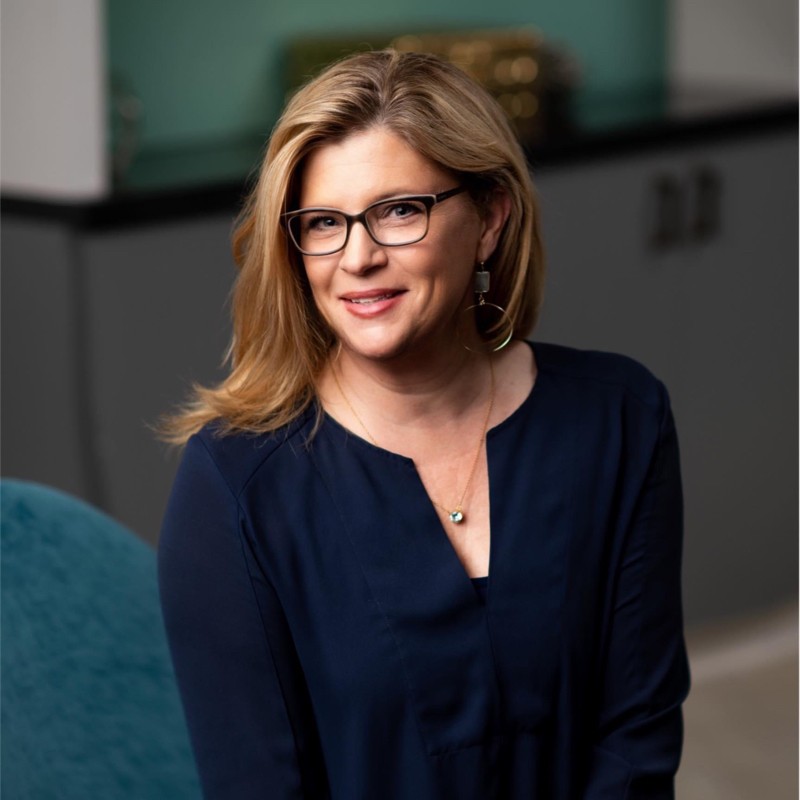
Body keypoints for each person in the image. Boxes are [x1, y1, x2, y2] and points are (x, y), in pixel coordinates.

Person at [158, 49, 690, 799]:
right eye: (323, 223)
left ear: (489, 220)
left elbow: (636, 743)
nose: (358, 257)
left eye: (399, 211)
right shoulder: (238, 480)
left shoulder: (619, 418)